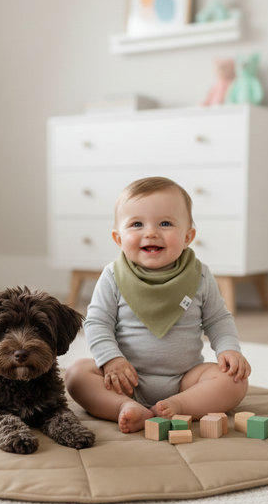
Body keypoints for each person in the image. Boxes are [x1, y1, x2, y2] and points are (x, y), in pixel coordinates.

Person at [64, 176, 251, 433]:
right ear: (118, 239)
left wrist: (229, 349)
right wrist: (111, 360)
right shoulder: (112, 276)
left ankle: (178, 405)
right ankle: (123, 407)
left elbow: (217, 319)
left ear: (188, 236)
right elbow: (98, 323)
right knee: (76, 374)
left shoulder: (200, 275)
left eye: (165, 223)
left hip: (185, 379)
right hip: (124, 380)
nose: (150, 232)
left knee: (235, 381)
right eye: (137, 224)